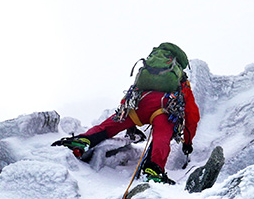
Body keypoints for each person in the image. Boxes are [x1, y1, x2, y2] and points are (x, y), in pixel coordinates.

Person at [53, 43, 200, 184]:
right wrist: (187, 142)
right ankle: (153, 169)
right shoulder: (181, 82)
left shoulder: (148, 70)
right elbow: (192, 116)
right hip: (163, 109)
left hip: (136, 105)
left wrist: (127, 117)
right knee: (162, 135)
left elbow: (131, 93)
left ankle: (84, 140)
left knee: (111, 125)